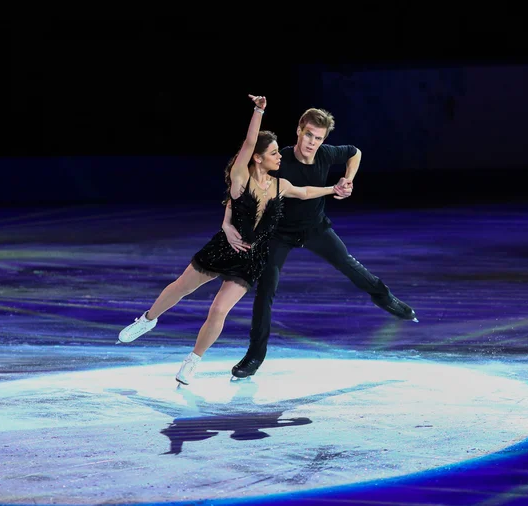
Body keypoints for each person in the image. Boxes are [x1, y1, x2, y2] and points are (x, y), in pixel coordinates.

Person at [116, 95, 352, 385]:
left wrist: (334, 188)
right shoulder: (240, 176)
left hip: (252, 257)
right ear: (258, 157)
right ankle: (148, 320)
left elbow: (304, 193)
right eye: (275, 153)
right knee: (180, 287)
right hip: (223, 248)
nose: (281, 157)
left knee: (219, 309)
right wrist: (258, 111)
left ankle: (192, 361)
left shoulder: (281, 185)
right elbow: (250, 142)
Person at [223, 106, 418, 379]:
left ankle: (386, 299)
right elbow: (245, 186)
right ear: (299, 131)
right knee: (266, 291)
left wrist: (348, 180)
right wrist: (228, 222)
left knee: (349, 264)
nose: (312, 143)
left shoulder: (326, 154)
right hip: (278, 234)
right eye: (308, 135)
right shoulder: (281, 160)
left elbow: (355, 152)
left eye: (318, 138)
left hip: (315, 228)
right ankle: (254, 356)